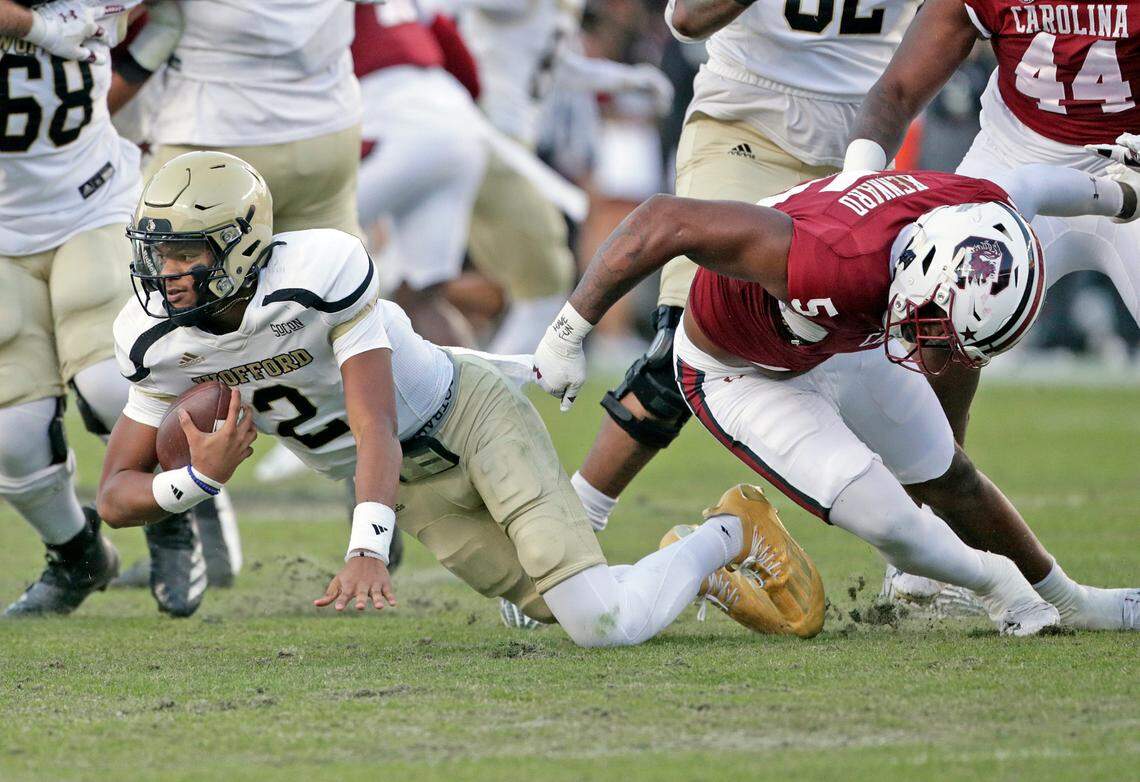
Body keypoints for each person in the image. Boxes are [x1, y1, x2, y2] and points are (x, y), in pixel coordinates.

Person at [95, 150, 825, 646]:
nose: (170, 274)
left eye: (188, 253)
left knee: (600, 622)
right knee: (555, 615)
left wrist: (365, 549)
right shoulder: (155, 337)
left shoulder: (319, 269)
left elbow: (373, 421)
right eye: (159, 254)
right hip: (415, 490)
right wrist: (198, 480)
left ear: (242, 244)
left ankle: (732, 531)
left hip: (468, 418)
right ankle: (694, 560)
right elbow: (114, 495)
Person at [533, 163, 1140, 634]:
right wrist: (568, 329)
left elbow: (1029, 187)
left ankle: (1069, 600)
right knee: (894, 525)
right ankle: (1000, 586)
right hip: (739, 370)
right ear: (922, 270)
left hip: (839, 337)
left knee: (949, 478)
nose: (933, 361)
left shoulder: (974, 215)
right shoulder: (830, 260)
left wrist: (1122, 196)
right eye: (935, 331)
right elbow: (665, 218)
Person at [565, 0, 922, 546]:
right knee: (684, 344)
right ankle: (572, 528)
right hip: (748, 121)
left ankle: (927, 554)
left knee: (914, 341)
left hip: (867, 138)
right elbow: (686, 18)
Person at [843, 0, 1140, 607]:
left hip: (1134, 164)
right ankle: (928, 546)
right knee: (937, 326)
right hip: (1015, 158)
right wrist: (854, 182)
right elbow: (897, 89)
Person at [0, 0, 218, 618]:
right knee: (11, 436)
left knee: (109, 380)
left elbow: (169, 17)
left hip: (91, 204)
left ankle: (168, 513)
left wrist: (111, 52)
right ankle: (77, 556)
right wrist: (48, 31)